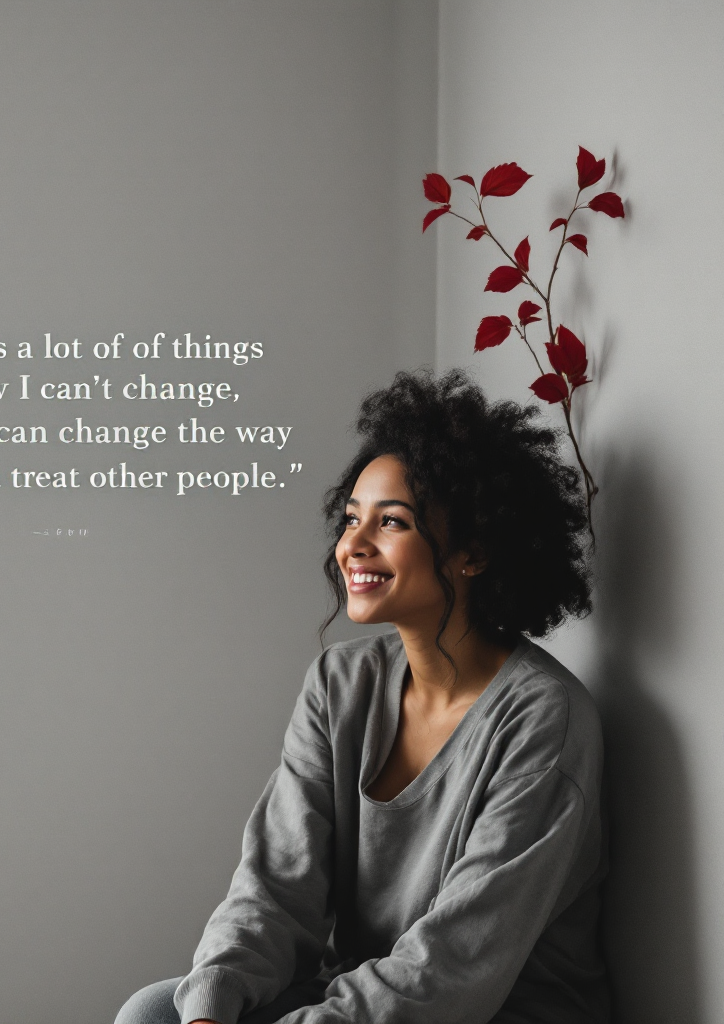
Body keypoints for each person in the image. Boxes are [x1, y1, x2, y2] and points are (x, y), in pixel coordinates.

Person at [115, 369, 610, 1024]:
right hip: (362, 998)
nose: (353, 545)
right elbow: (273, 889)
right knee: (157, 1010)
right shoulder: (338, 685)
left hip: (485, 1011)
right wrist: (210, 1009)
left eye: (393, 522)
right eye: (352, 518)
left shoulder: (545, 719)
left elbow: (452, 969)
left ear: (474, 550)